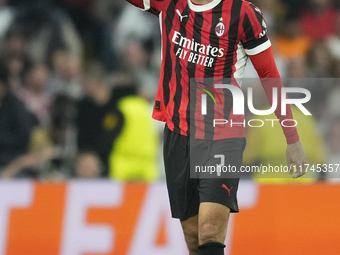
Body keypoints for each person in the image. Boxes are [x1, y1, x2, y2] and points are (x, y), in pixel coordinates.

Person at [125, 0, 307, 254]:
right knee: (193, 237)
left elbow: (269, 75)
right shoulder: (169, 3)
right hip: (177, 133)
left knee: (210, 231)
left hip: (222, 136)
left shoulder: (243, 13)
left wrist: (292, 137)